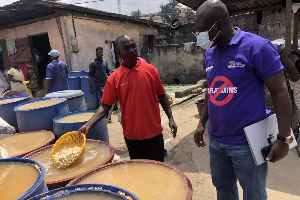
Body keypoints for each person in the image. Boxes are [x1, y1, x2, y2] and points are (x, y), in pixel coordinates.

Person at [193, 1, 292, 200]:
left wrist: (283, 139)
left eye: (202, 30)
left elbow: (280, 92)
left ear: (219, 24)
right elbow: (212, 91)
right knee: (224, 189)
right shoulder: (210, 54)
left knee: (254, 194)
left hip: (246, 144)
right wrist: (202, 123)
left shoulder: (256, 47)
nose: (199, 36)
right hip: (217, 142)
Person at [80, 35, 177, 162]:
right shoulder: (114, 79)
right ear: (119, 53)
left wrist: (171, 118)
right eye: (126, 48)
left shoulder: (150, 70)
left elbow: (162, 95)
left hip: (154, 133)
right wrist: (89, 124)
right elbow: (105, 106)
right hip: (132, 137)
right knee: (138, 173)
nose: (131, 50)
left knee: (158, 171)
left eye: (133, 46)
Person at [89, 47, 114, 122]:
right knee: (105, 100)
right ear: (96, 53)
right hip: (99, 84)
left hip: (106, 83)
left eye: (102, 52)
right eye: (99, 52)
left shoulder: (104, 61)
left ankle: (107, 116)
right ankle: (106, 116)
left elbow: (108, 71)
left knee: (108, 99)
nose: (101, 53)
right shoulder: (93, 63)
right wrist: (90, 87)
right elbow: (90, 76)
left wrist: (111, 75)